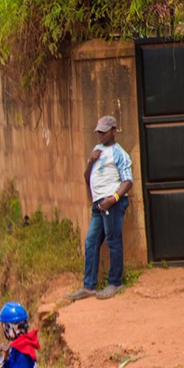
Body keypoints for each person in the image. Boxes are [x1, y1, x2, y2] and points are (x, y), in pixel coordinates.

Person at [68, 115, 134, 302]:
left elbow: (128, 181)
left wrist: (113, 199)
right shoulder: (96, 150)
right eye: (98, 132)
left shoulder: (120, 153)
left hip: (111, 203)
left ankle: (115, 282)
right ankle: (89, 286)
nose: (100, 135)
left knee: (113, 241)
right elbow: (86, 177)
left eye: (104, 132)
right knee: (91, 242)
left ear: (114, 131)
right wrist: (90, 161)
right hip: (98, 204)